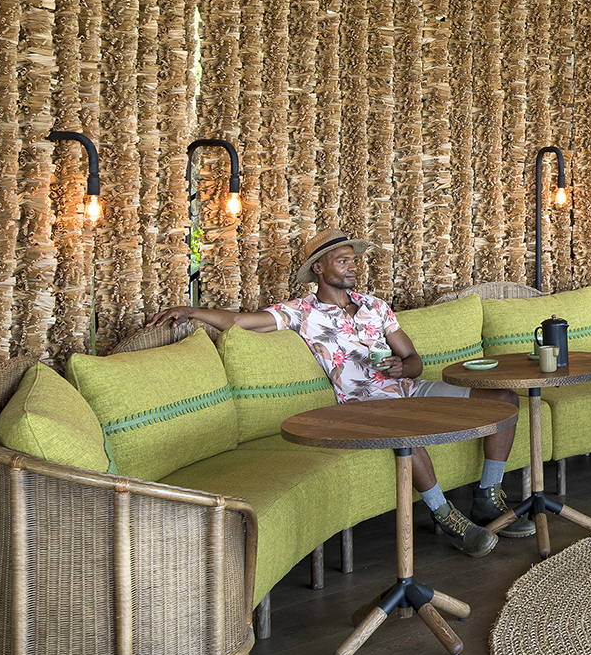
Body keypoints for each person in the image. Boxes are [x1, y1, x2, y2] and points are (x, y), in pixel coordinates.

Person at [150, 229, 523, 556]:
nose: (353, 267)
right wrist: (193, 311)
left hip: (410, 390)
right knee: (408, 433)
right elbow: (238, 322)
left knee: (503, 401)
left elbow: (413, 360)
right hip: (368, 406)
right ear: (319, 268)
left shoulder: (375, 307)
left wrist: (401, 367)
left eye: (353, 261)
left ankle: (487, 497)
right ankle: (446, 516)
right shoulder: (302, 313)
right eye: (343, 261)